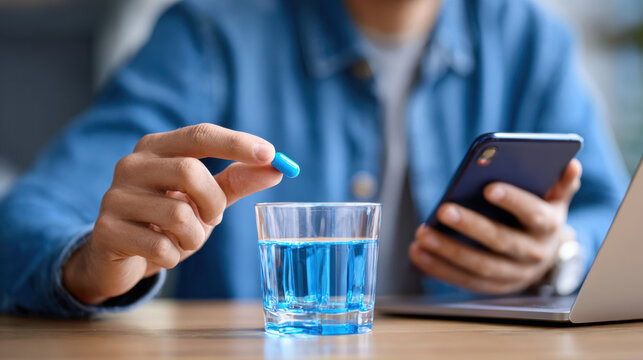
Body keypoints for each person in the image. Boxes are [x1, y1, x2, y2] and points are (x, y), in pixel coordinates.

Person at [0, 0, 629, 317]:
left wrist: (559, 255)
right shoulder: (212, 34)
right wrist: (90, 267)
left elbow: (617, 224)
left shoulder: (528, 40)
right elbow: (28, 219)